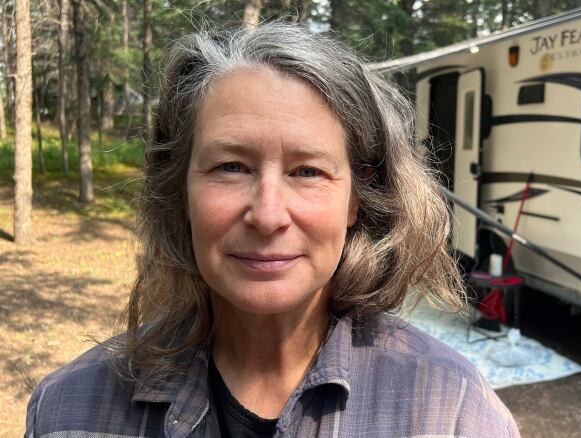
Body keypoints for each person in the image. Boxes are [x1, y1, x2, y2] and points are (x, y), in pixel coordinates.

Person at [25, 23, 520, 438]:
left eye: (308, 171)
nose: (267, 215)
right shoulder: (68, 413)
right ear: (181, 191)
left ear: (356, 200)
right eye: (231, 167)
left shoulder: (450, 410)